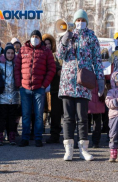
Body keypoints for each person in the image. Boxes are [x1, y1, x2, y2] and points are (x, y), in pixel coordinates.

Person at [57, 9, 104, 161]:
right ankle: (69, 150)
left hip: (83, 82)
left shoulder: (91, 37)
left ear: (86, 22)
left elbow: (97, 60)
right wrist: (65, 40)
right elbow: (59, 56)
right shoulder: (66, 36)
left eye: (82, 20)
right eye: (77, 20)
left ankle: (83, 149)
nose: (79, 23)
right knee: (68, 117)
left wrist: (101, 80)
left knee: (82, 117)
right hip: (67, 82)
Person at [14, 30, 56, 147]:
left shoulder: (46, 51)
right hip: (25, 88)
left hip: (39, 88)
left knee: (38, 115)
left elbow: (51, 69)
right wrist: (19, 84)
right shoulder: (23, 50)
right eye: (32, 36)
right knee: (26, 115)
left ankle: (38, 138)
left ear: (40, 39)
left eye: (36, 37)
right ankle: (25, 138)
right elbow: (17, 68)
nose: (34, 38)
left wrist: (44, 84)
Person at [0, 43, 20, 146]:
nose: (10, 55)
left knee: (12, 117)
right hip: (2, 96)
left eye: (12, 53)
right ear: (4, 54)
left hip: (14, 96)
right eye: (8, 53)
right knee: (2, 117)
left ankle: (11, 136)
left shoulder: (16, 66)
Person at [42, 33, 63, 144]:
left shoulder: (56, 56)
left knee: (57, 114)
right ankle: (53, 135)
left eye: (49, 43)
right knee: (48, 114)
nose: (47, 46)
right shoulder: (41, 55)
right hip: (43, 88)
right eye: (45, 44)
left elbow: (60, 69)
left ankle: (59, 136)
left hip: (56, 89)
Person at [88, 81, 105, 148]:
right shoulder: (100, 71)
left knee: (84, 121)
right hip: (98, 94)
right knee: (97, 121)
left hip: (87, 95)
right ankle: (95, 142)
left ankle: (83, 140)